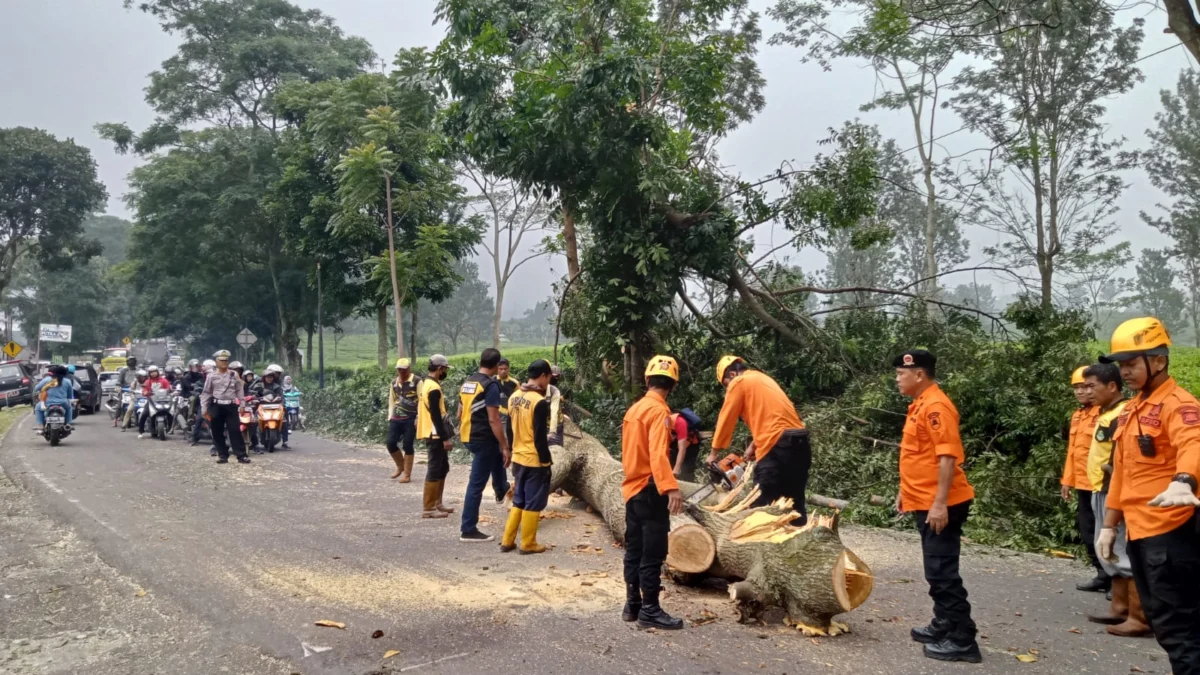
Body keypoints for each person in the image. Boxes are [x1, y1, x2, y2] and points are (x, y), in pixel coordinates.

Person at [1097, 318, 1200, 672]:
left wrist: (1184, 480)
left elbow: (1193, 443)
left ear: (1158, 361)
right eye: (1121, 365)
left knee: (1180, 628)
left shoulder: (1179, 404)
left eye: (1131, 364)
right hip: (1140, 532)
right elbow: (1123, 472)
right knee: (1163, 622)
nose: (1124, 372)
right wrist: (1109, 526)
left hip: (1171, 531)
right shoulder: (1133, 409)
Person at [894, 349, 980, 664]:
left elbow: (948, 457)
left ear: (919, 374)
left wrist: (940, 504)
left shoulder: (936, 407)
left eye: (902, 373)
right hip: (924, 501)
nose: (898, 378)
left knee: (943, 573)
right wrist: (906, 492)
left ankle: (962, 638)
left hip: (943, 504)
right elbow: (919, 457)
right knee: (936, 571)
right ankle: (944, 623)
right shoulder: (919, 405)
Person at [1079, 363, 1147, 636]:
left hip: (1113, 489)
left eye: (1091, 386)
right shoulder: (1106, 412)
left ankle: (1139, 617)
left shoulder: (1124, 413)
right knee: (1108, 550)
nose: (1087, 391)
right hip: (1100, 487)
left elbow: (1122, 453)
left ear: (1112, 387)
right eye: (1084, 386)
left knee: (1119, 546)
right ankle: (1119, 609)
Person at [620, 355, 685, 630]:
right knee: (653, 552)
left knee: (634, 550)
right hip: (649, 489)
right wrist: (671, 487)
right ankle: (650, 610)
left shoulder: (634, 410)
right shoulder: (659, 413)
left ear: (647, 380)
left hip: (632, 487)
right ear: (672, 385)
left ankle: (632, 604)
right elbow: (658, 454)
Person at [709, 355, 810, 524]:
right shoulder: (763, 379)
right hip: (800, 442)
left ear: (732, 375)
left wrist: (714, 453)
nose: (728, 388)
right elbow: (775, 418)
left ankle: (756, 541)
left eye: (726, 384)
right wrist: (753, 446)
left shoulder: (738, 382)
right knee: (794, 504)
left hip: (777, 445)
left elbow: (726, 419)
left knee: (760, 503)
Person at [1061, 366, 1108, 593]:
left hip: (1102, 484)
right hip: (1082, 483)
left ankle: (1117, 578)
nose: (1081, 392)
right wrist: (1066, 481)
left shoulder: (1105, 414)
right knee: (1088, 531)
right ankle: (1102, 573)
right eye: (1077, 388)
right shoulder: (1078, 415)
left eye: (1085, 387)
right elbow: (1073, 451)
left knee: (1108, 532)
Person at [500, 359, 554, 554]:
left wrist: (511, 450)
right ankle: (528, 543)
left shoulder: (514, 396)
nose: (548, 383)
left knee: (519, 500)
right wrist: (546, 461)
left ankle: (507, 541)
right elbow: (540, 437)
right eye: (548, 378)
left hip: (518, 458)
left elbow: (509, 428)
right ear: (543, 376)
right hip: (534, 459)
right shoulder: (539, 402)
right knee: (533, 501)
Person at [458, 348, 511, 542]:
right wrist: (506, 446)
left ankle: (501, 489)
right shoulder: (491, 386)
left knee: (496, 456)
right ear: (497, 366)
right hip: (482, 438)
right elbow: (494, 419)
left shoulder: (468, 382)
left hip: (467, 435)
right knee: (476, 484)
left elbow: (459, 412)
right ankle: (468, 528)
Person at [417, 354, 454, 518]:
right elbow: (436, 416)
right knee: (434, 468)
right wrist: (445, 437)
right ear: (439, 369)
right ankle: (428, 508)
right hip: (435, 433)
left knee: (442, 468)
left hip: (432, 431)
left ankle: (438, 502)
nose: (445, 372)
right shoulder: (433, 388)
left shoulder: (427, 383)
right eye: (445, 369)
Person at [200, 350, 249, 464]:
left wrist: (242, 404)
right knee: (217, 431)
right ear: (216, 362)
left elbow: (239, 390)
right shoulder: (211, 376)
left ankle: (241, 456)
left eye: (226, 360)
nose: (224, 362)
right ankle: (222, 455)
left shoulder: (234, 374)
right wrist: (204, 408)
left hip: (231, 406)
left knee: (235, 430)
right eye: (221, 360)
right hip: (217, 405)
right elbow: (206, 392)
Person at [386, 358, 421, 482]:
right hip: (396, 417)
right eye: (399, 369)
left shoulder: (416, 381)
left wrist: (418, 417)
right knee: (390, 443)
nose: (401, 372)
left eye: (404, 369)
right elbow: (391, 399)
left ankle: (407, 474)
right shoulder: (394, 382)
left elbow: (421, 400)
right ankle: (400, 466)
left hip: (410, 418)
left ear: (408, 369)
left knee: (407, 444)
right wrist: (390, 416)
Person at [249, 365, 285, 453]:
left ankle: (285, 441)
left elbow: (281, 395)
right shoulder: (259, 385)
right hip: (261, 406)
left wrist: (278, 398)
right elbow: (254, 394)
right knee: (253, 422)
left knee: (284, 421)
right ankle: (252, 442)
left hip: (275, 406)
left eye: (271, 377)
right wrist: (258, 399)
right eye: (268, 377)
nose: (269, 379)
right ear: (264, 378)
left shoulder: (277, 386)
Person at [32, 365, 74, 433]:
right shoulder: (67, 381)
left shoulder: (47, 380)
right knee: (69, 408)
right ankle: (68, 424)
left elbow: (36, 388)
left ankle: (40, 425)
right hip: (63, 403)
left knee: (37, 408)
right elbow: (70, 395)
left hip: (47, 403)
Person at [138, 366, 172, 439]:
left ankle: (170, 427)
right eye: (151, 372)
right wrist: (145, 392)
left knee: (170, 412)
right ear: (149, 373)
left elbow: (168, 388)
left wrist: (169, 391)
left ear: (157, 372)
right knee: (144, 414)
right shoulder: (148, 381)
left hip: (163, 400)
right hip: (151, 401)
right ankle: (141, 431)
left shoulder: (163, 380)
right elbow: (144, 389)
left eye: (154, 372)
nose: (153, 373)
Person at [670, 408, 703, 480]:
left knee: (687, 470)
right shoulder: (660, 423)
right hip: (675, 444)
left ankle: (690, 485)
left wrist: (677, 468)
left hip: (690, 446)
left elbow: (682, 449)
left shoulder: (680, 422)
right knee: (670, 467)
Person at [115, 357, 140, 428]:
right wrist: (118, 386)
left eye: (133, 361)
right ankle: (116, 420)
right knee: (120, 404)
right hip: (125, 389)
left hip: (137, 389)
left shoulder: (139, 370)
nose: (131, 362)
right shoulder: (123, 371)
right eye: (130, 361)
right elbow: (119, 380)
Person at [547, 365, 565, 447]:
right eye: (554, 376)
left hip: (557, 422)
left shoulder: (554, 389)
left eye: (557, 376)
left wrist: (560, 399)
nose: (556, 378)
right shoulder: (548, 388)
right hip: (550, 423)